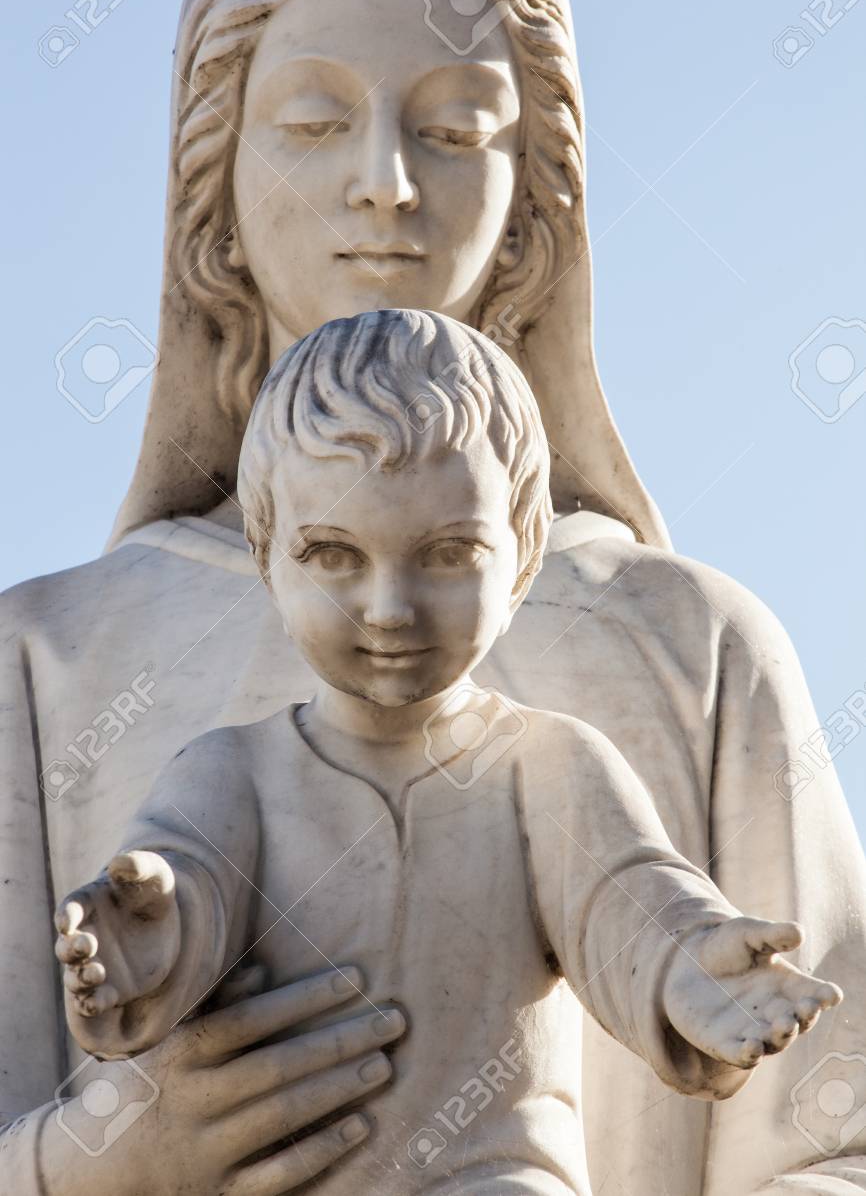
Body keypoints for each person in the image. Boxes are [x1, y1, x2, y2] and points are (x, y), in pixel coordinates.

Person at [2, 0, 864, 1193]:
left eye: (456, 130)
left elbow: (830, 1147)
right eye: (311, 122)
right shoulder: (49, 659)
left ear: (535, 196)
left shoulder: (692, 644)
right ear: (211, 178)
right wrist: (105, 1160)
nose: (386, 184)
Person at [56, 311, 841, 1195]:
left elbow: (629, 903)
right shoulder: (229, 774)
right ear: (266, 554)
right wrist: (144, 946)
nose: (388, 607)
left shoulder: (547, 765)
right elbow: (183, 890)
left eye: (446, 554)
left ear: (523, 556)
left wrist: (691, 976)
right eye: (334, 556)